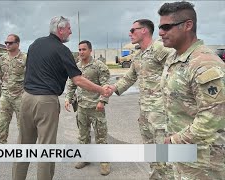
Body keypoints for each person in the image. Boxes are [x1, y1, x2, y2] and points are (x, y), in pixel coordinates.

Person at [12, 16, 111, 180]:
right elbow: (77, 79)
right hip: (45, 102)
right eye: (69, 28)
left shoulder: (35, 44)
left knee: (23, 145)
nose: (71, 31)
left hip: (26, 98)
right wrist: (101, 89)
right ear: (60, 29)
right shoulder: (62, 50)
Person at [158, 2, 225, 179]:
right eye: (159, 27)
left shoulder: (204, 63)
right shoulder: (174, 57)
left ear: (188, 25)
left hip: (203, 161)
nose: (160, 32)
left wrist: (174, 141)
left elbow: (213, 118)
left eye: (166, 27)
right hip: (183, 154)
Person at [105, 19, 173, 179]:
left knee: (165, 156)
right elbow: (129, 78)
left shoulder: (160, 49)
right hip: (145, 113)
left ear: (144, 31)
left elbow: (179, 67)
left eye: (133, 30)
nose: (130, 33)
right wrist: (112, 88)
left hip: (161, 114)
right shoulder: (138, 55)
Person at [65, 40, 111, 176]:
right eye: (79, 49)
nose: (81, 52)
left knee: (101, 136)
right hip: (81, 107)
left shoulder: (99, 66)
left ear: (90, 50)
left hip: (96, 107)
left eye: (84, 49)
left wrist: (102, 101)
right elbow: (72, 84)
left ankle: (104, 162)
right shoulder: (76, 66)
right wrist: (68, 98)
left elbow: (106, 85)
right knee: (83, 136)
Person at [0, 34, 26, 144]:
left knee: (23, 125)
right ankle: (1, 146)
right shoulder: (2, 59)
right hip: (5, 95)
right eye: (6, 43)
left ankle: (24, 148)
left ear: (17, 44)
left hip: (20, 96)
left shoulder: (25, 58)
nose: (7, 45)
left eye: (10, 43)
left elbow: (29, 77)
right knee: (1, 123)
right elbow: (1, 75)